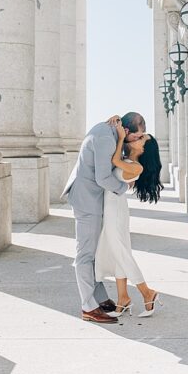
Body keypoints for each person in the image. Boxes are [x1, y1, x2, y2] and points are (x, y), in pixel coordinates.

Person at [61, 111, 147, 323]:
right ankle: (88, 307)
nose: (138, 140)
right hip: (86, 199)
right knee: (85, 254)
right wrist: (124, 186)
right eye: (137, 136)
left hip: (92, 198)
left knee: (94, 251)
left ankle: (98, 298)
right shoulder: (106, 138)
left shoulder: (112, 133)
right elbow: (103, 177)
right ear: (127, 130)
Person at [94, 121, 164, 318]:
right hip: (112, 207)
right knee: (117, 253)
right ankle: (123, 298)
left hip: (115, 211)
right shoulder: (129, 161)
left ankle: (147, 292)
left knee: (121, 252)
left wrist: (121, 138)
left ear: (143, 149)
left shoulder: (137, 167)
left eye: (142, 138)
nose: (138, 138)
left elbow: (115, 161)